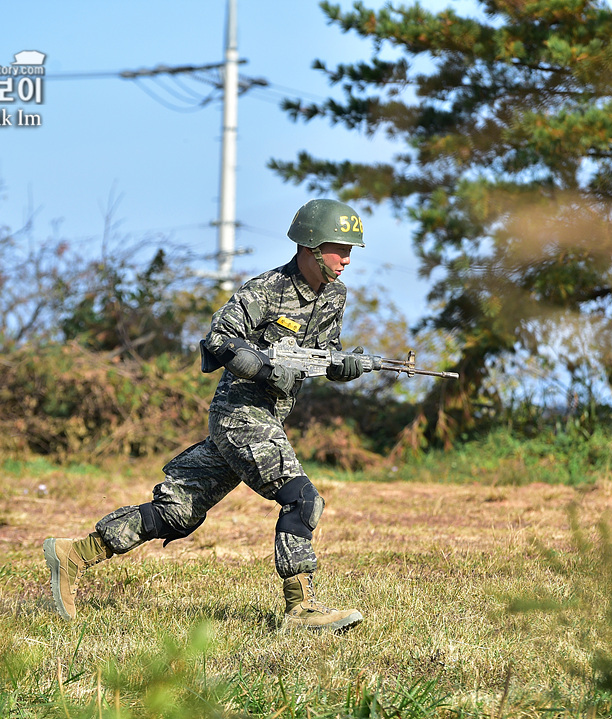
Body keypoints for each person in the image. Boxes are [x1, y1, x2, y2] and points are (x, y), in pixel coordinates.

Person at [43, 198, 370, 631]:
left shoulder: (334, 297)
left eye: (350, 249)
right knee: (302, 498)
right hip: (240, 414)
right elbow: (218, 340)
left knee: (177, 513)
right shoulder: (265, 291)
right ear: (310, 246)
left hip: (269, 418)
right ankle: (300, 609)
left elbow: (321, 356)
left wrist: (343, 367)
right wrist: (262, 365)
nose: (346, 258)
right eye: (337, 247)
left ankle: (74, 554)